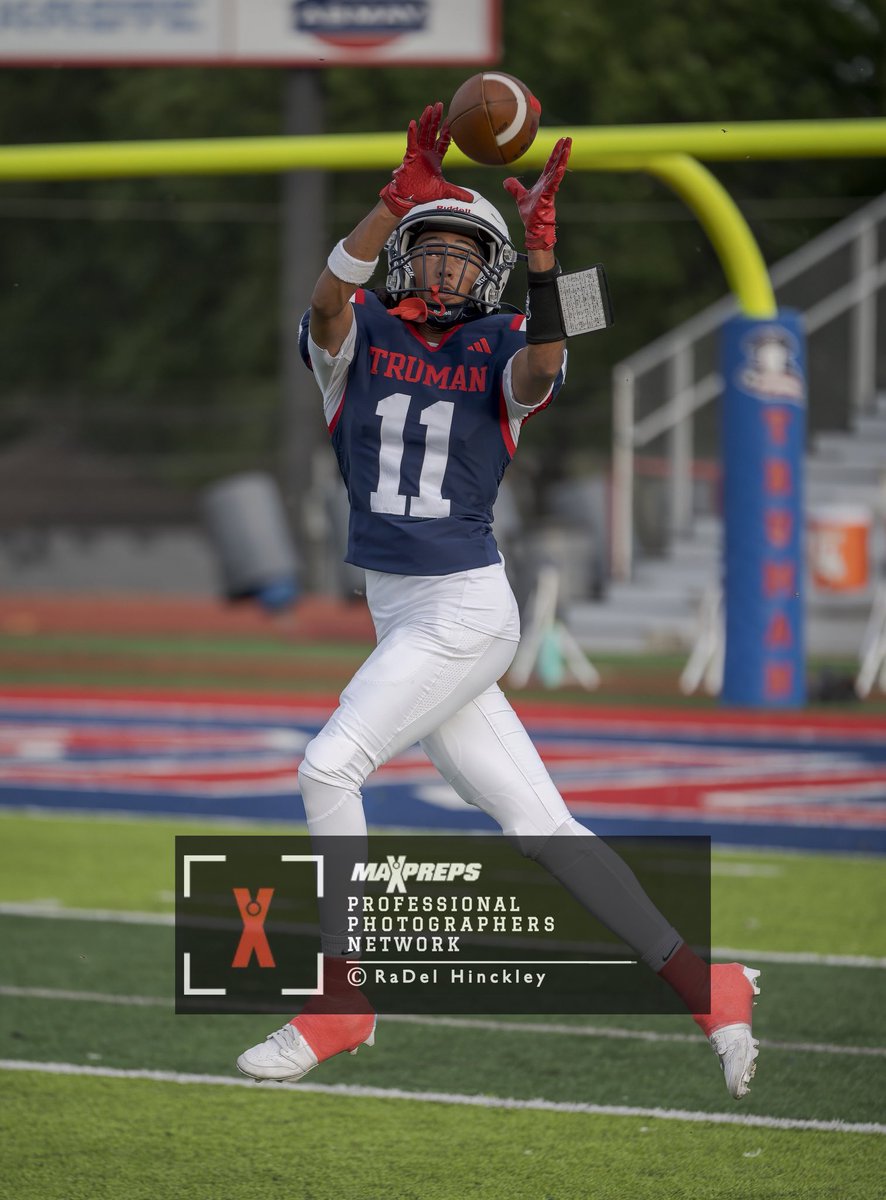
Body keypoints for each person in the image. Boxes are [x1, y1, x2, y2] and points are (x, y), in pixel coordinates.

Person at [237, 103, 761, 1100]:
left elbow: (550, 363)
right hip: (404, 610)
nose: (437, 270)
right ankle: (711, 984)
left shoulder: (508, 341)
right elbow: (322, 308)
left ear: (487, 273)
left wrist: (547, 259)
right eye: (421, 250)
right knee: (541, 827)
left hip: (463, 611)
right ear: (398, 257)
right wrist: (389, 203)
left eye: (457, 257)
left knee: (326, 767)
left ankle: (342, 1000)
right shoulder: (359, 333)